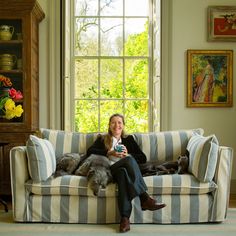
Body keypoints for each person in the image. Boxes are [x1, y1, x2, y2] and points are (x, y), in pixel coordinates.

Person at [87, 113, 166, 233]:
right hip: (109, 170)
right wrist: (109, 152)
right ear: (109, 125)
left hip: (121, 171)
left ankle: (125, 219)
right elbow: (90, 151)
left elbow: (142, 158)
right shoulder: (102, 139)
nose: (116, 125)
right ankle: (144, 197)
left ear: (123, 126)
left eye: (119, 122)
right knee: (127, 162)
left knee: (124, 171)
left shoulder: (129, 140)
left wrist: (128, 154)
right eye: (113, 122)